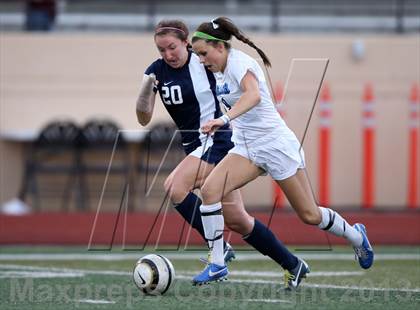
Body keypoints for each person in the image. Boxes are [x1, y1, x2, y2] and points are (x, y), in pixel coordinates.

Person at [191, 17, 374, 287]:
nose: (202, 60)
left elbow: (252, 96)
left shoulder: (240, 63)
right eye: (198, 56)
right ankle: (218, 264)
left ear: (219, 46)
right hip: (246, 147)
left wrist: (223, 120)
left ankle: (356, 236)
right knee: (209, 191)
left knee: (310, 215)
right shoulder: (218, 70)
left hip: (275, 145)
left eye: (204, 53)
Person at [136, 20, 308, 290]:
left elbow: (236, 83)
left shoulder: (203, 63)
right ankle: (293, 264)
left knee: (175, 185)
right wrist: (147, 87)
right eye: (161, 50)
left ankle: (219, 250)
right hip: (195, 146)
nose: (168, 55)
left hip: (219, 140)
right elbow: (143, 117)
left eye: (172, 47)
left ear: (186, 43)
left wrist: (229, 117)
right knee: (238, 220)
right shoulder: (156, 71)